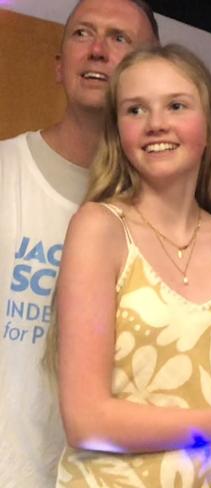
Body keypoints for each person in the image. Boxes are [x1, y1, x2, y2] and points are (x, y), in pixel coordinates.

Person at [51, 44, 211, 487]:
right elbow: (86, 420)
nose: (156, 123)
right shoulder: (99, 229)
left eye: (176, 105)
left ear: (209, 127)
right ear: (117, 130)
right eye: (135, 109)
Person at [0, 1, 158, 485]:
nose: (96, 50)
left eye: (118, 39)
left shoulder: (168, 209)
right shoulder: (6, 172)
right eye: (82, 35)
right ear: (58, 66)